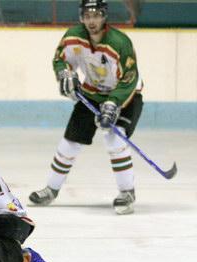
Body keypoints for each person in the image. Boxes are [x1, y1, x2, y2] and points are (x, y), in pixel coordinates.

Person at [29, 0, 144, 215]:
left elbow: (129, 79)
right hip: (91, 94)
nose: (92, 20)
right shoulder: (74, 36)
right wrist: (65, 74)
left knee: (114, 140)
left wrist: (113, 104)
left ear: (104, 16)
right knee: (69, 143)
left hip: (126, 97)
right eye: (88, 15)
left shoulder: (120, 42)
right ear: (82, 17)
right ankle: (51, 189)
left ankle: (127, 192)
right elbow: (60, 59)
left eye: (97, 15)